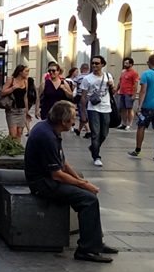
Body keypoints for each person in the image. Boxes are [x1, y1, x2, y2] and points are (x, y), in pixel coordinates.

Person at [25, 101, 120, 263]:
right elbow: (57, 175)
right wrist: (83, 185)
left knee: (87, 195)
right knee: (88, 200)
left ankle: (94, 242)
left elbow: (63, 162)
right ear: (63, 121)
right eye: (73, 118)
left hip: (47, 178)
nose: (75, 121)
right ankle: (86, 250)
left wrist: (79, 179)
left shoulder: (49, 129)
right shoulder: (47, 136)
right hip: (42, 184)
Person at [126, 54, 154, 163]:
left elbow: (143, 91)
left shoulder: (146, 74)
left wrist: (140, 106)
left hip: (147, 105)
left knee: (141, 126)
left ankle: (138, 150)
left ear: (148, 63)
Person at [80, 55, 114, 167]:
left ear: (103, 64)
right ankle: (96, 156)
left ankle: (93, 147)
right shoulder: (87, 79)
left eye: (97, 63)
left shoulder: (108, 76)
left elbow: (113, 92)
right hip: (93, 108)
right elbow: (83, 97)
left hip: (106, 108)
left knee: (104, 133)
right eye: (93, 63)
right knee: (95, 133)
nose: (94, 65)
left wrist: (111, 86)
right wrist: (83, 113)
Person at [0, 65, 30, 141]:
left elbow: (25, 97)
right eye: (26, 71)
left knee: (20, 133)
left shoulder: (25, 81)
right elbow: (2, 92)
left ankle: (17, 149)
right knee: (13, 134)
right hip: (12, 110)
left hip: (22, 110)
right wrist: (13, 88)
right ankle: (12, 149)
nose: (27, 73)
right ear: (20, 72)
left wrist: (27, 111)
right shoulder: (11, 80)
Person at [117, 57, 139, 130]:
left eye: (126, 63)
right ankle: (124, 123)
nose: (125, 64)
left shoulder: (134, 73)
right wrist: (116, 90)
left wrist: (134, 94)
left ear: (131, 64)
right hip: (122, 93)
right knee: (122, 109)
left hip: (129, 93)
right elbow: (120, 82)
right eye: (124, 63)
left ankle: (130, 123)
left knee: (129, 109)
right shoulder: (123, 72)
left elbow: (135, 84)